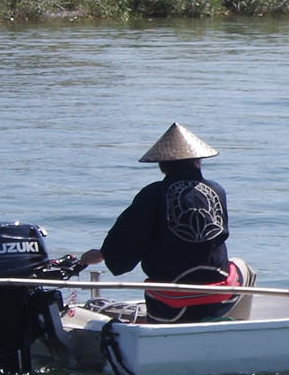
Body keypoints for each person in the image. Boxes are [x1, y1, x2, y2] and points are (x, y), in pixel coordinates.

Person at [80, 123, 249, 322]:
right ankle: (232, 326)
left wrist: (104, 254)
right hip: (218, 297)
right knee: (241, 265)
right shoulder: (217, 190)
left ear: (162, 165)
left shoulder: (152, 194)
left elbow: (128, 236)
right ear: (198, 161)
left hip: (171, 302)